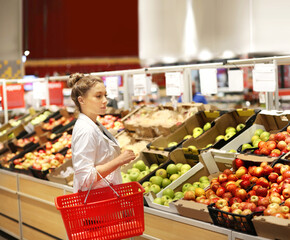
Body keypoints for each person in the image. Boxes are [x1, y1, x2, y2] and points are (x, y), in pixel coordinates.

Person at [68, 73, 136, 193]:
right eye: (98, 96)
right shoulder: (86, 130)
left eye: (105, 95)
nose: (105, 100)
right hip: (96, 203)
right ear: (81, 100)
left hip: (105, 197)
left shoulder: (94, 124)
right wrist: (119, 160)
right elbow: (85, 178)